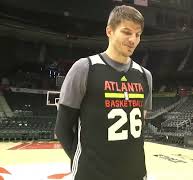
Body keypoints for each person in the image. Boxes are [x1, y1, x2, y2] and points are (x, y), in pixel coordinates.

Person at [55, 5, 152, 180]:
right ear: (109, 31)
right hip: (92, 174)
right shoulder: (85, 68)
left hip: (136, 173)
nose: (133, 39)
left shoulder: (145, 75)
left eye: (138, 35)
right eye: (126, 32)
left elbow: (138, 130)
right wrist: (85, 163)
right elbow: (62, 129)